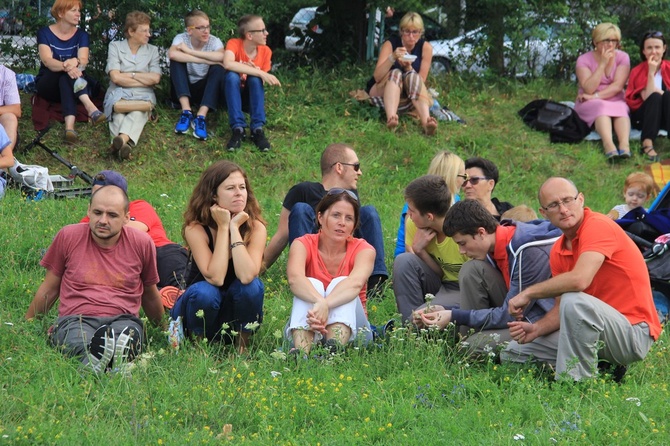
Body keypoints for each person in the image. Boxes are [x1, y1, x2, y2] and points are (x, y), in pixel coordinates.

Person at [501, 177, 662, 381]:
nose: (563, 209)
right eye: (553, 205)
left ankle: (576, 388)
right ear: (544, 213)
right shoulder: (558, 250)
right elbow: (561, 309)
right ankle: (603, 370)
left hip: (632, 333)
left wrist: (529, 292)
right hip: (594, 330)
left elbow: (580, 280)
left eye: (568, 200)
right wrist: (536, 329)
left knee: (573, 300)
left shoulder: (597, 225)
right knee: (514, 353)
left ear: (581, 200)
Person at [25, 186, 164, 373]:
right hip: (76, 319)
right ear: (88, 210)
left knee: (128, 336)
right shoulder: (68, 236)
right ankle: (109, 362)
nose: (103, 220)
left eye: (112, 215)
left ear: (126, 217)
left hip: (123, 319)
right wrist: (28, 322)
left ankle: (100, 362)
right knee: (77, 340)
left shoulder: (142, 243)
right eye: (98, 212)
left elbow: (150, 294)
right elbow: (50, 288)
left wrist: (162, 329)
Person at [417, 199, 560, 353]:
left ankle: (467, 347)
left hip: (538, 321)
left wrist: (453, 316)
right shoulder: (491, 246)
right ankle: (465, 340)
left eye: (462, 243)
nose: (461, 251)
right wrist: (446, 310)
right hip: (512, 311)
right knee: (472, 269)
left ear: (481, 232)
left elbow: (509, 315)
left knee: (471, 348)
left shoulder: (527, 251)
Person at [264, 143, 388, 295]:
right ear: (339, 167)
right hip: (313, 262)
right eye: (356, 166)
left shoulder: (351, 197)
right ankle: (304, 279)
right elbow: (282, 235)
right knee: (301, 209)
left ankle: (375, 286)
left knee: (369, 212)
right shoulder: (303, 191)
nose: (360, 172)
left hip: (344, 262)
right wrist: (257, 270)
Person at [170, 161, 265, 353]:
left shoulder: (256, 228)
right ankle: (199, 350)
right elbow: (216, 277)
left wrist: (234, 229)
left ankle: (242, 349)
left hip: (233, 311)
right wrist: (223, 227)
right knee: (206, 291)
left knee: (252, 286)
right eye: (230, 188)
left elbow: (247, 275)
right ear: (214, 195)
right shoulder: (195, 228)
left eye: (242, 187)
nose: (239, 193)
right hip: (199, 310)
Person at [286, 190, 376, 354]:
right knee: (310, 283)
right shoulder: (302, 244)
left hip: (356, 331)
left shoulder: (364, 249)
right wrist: (319, 301)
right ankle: (301, 354)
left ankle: (333, 350)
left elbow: (355, 284)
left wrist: (325, 304)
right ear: (320, 217)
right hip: (311, 323)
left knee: (341, 282)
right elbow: (295, 279)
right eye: (336, 215)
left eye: (349, 218)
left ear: (354, 225)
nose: (342, 222)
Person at [79, 170, 189, 290]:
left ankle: (177, 294)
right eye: (96, 193)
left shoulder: (139, 206)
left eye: (107, 192)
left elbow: (135, 231)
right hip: (120, 262)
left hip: (158, 250)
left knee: (179, 282)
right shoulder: (87, 220)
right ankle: (157, 293)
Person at [393, 175, 469, 322]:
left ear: (429, 216)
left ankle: (415, 325)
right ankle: (412, 324)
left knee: (426, 313)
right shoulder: (414, 224)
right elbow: (441, 273)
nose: (408, 215)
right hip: (442, 284)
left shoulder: (462, 233)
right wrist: (419, 251)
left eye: (411, 211)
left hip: (464, 289)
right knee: (404, 260)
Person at [35, 0, 106, 145]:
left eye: (78, 11)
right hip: (49, 85)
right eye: (73, 10)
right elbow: (47, 61)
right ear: (61, 13)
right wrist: (67, 64)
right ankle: (90, 107)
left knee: (66, 78)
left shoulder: (82, 35)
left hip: (73, 83)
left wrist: (77, 62)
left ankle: (69, 127)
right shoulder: (44, 33)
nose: (78, 14)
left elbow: (84, 60)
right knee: (64, 73)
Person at [103, 11, 161, 161]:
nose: (149, 34)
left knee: (137, 111)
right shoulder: (115, 46)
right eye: (144, 31)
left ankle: (119, 142)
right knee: (120, 113)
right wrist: (143, 78)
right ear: (131, 31)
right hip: (118, 92)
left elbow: (155, 78)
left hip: (143, 94)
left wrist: (130, 75)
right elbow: (115, 77)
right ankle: (123, 146)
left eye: (149, 30)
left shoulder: (152, 51)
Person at [367, 11, 437, 135]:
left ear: (420, 33)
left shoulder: (426, 48)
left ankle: (426, 123)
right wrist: (392, 58)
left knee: (412, 75)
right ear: (401, 31)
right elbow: (377, 77)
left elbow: (421, 81)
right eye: (407, 31)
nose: (411, 36)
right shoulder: (390, 44)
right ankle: (391, 118)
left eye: (415, 32)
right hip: (383, 87)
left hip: (408, 93)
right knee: (396, 72)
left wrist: (409, 68)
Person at [574, 23, 631, 161]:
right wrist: (602, 64)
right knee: (601, 107)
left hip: (611, 96)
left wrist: (595, 96)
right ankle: (608, 145)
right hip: (588, 99)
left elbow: (618, 86)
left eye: (614, 41)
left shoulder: (623, 57)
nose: (610, 44)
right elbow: (588, 88)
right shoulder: (583, 59)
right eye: (606, 40)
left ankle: (624, 145)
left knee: (622, 107)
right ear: (596, 41)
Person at [223, 14, 281, 152]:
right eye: (262, 30)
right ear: (249, 35)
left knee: (255, 79)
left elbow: (259, 82)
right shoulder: (234, 43)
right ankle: (238, 129)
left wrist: (255, 73)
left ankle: (257, 129)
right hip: (232, 96)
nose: (266, 33)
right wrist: (259, 72)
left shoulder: (266, 51)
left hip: (250, 100)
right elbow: (227, 63)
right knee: (231, 76)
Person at [168, 9, 226, 141]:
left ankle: (201, 116)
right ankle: (186, 112)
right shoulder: (181, 38)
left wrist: (189, 52)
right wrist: (204, 60)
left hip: (204, 91)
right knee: (176, 62)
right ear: (190, 30)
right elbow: (172, 54)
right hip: (182, 89)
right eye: (201, 28)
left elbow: (221, 56)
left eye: (207, 26)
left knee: (218, 68)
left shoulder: (214, 41)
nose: (206, 31)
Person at [394, 150, 464, 257]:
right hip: (414, 257)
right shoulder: (417, 204)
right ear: (452, 176)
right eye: (463, 176)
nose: (464, 181)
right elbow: (409, 247)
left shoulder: (456, 199)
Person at [625, 31, 669, 162]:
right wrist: (651, 72)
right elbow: (648, 97)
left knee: (667, 96)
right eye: (649, 48)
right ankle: (647, 144)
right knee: (655, 97)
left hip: (666, 115)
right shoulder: (637, 71)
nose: (653, 51)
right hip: (645, 117)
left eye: (657, 47)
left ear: (664, 49)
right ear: (643, 51)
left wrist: (664, 94)